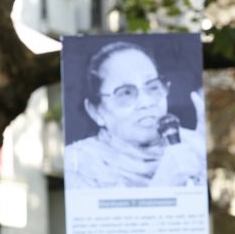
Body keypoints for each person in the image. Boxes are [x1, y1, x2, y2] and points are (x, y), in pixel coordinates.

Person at [64, 40, 206, 189]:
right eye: (125, 93)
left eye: (153, 87)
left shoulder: (193, 146)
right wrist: (162, 187)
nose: (146, 102)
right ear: (95, 112)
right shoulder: (77, 165)